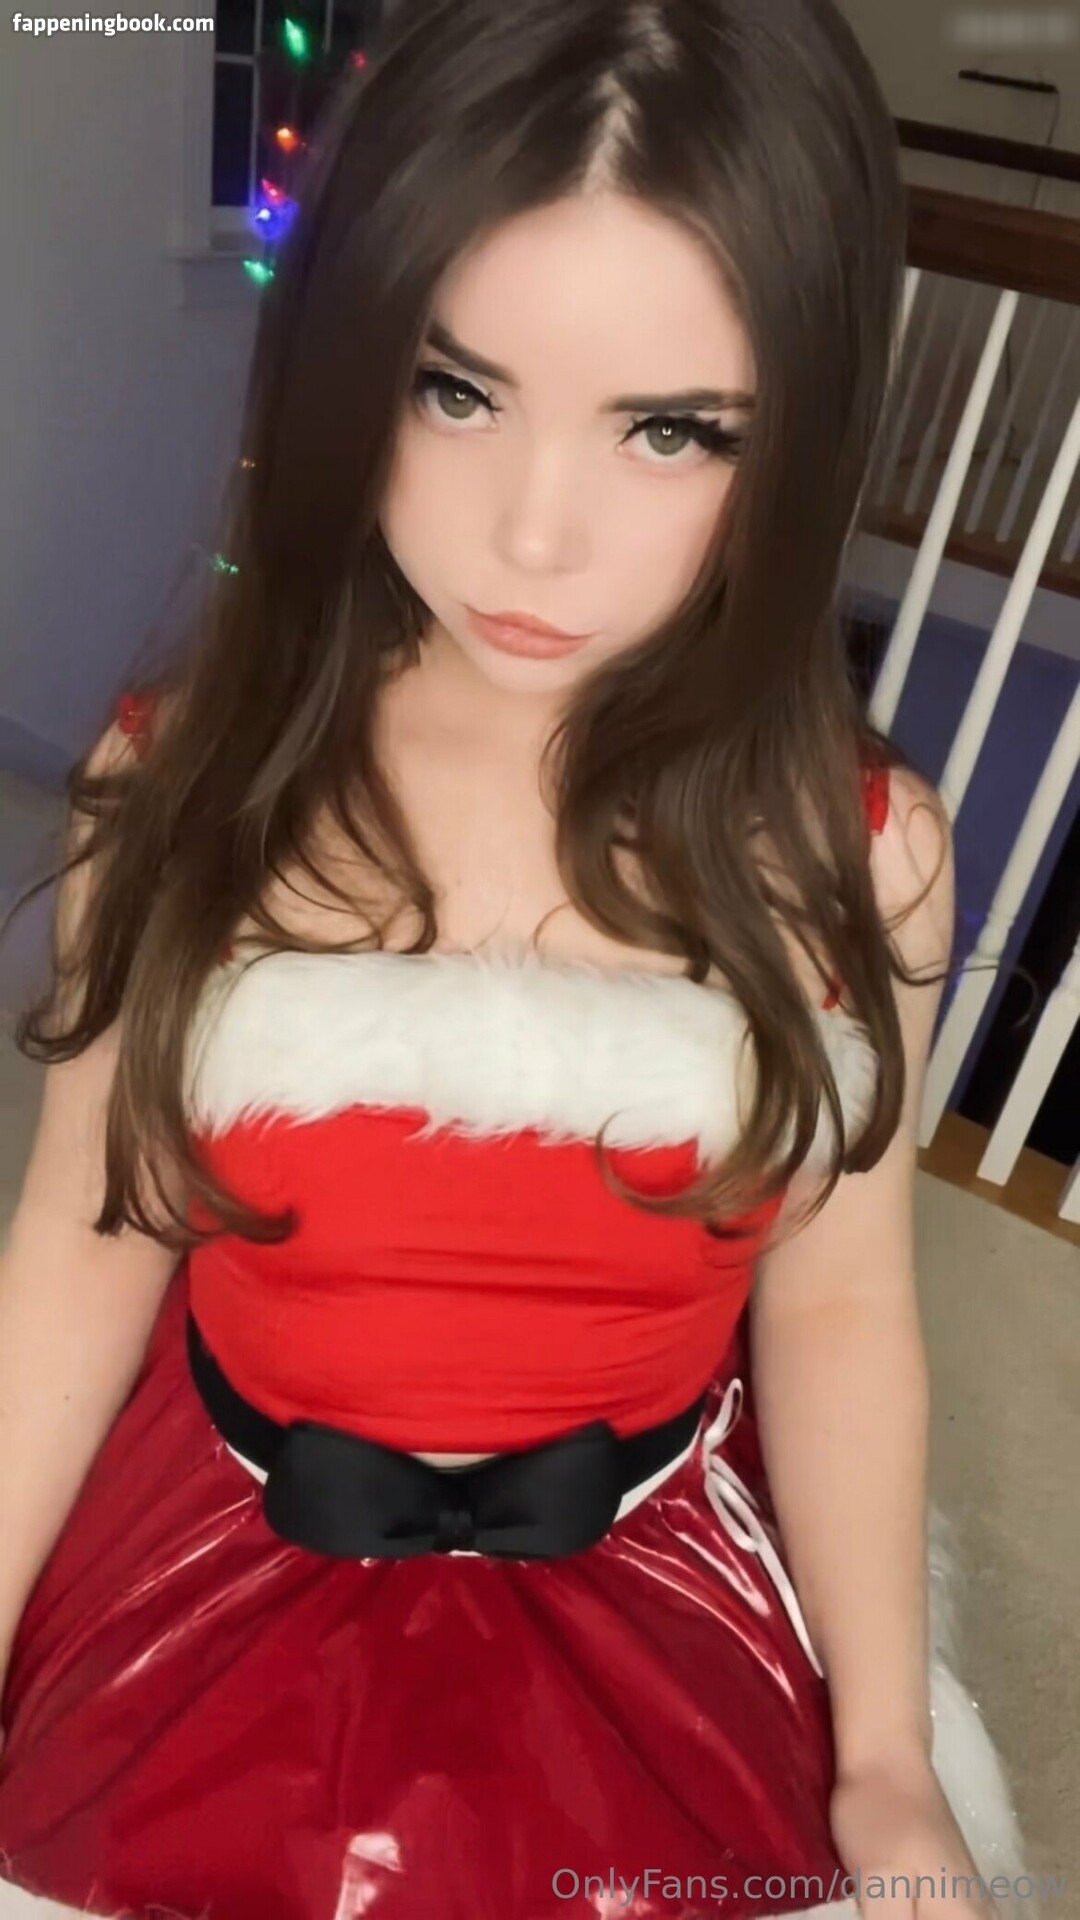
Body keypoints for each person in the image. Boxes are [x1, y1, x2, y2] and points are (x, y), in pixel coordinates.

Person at [0, 1, 1030, 1915]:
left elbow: (837, 1305)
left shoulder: (859, 857)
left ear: (792, 438)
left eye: (671, 430)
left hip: (664, 1585)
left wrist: (885, 1753)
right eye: (455, 390)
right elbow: (84, 1236)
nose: (533, 540)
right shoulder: (179, 782)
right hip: (200, 1559)